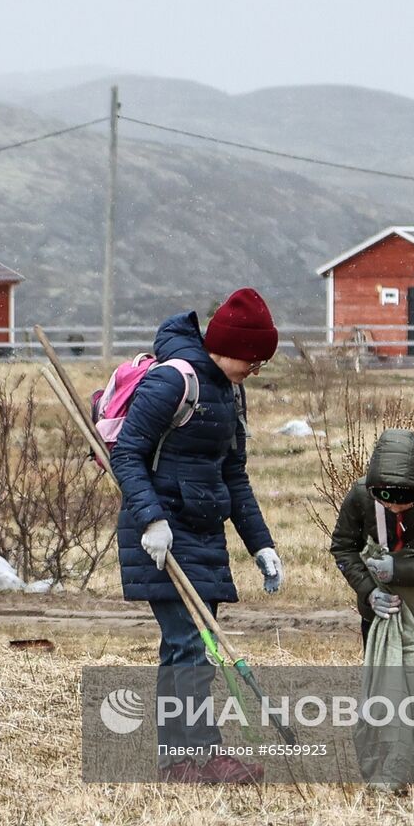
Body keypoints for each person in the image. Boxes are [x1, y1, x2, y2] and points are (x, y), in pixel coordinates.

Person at [111, 287, 283, 784]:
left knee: (199, 647)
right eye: (253, 360)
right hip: (160, 532)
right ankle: (181, 761)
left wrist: (261, 545)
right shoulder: (172, 382)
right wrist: (151, 521)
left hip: (204, 531)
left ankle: (200, 755)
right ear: (227, 347)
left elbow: (235, 474)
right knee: (186, 643)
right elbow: (127, 454)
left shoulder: (230, 391)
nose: (256, 370)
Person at [329, 428, 414, 795]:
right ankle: (388, 773)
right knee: (385, 694)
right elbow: (343, 547)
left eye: (404, 500)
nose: (394, 507)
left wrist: (400, 569)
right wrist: (369, 590)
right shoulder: (359, 497)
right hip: (381, 613)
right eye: (387, 499)